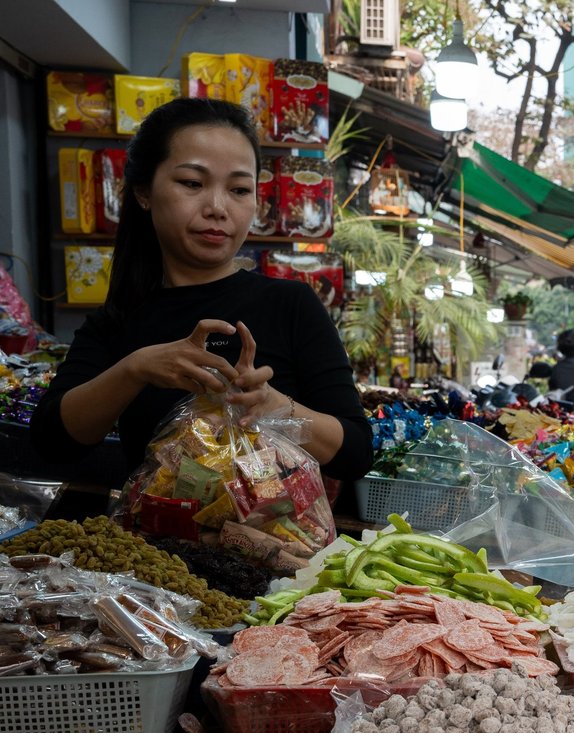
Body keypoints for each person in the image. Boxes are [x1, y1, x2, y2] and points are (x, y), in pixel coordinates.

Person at [31, 97, 371, 482]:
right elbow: (52, 442)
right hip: (148, 541)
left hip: (277, 540)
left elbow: (357, 453)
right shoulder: (118, 321)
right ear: (143, 191)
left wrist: (274, 405)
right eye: (192, 183)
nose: (217, 207)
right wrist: (137, 368)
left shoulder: (291, 304)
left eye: (239, 190)